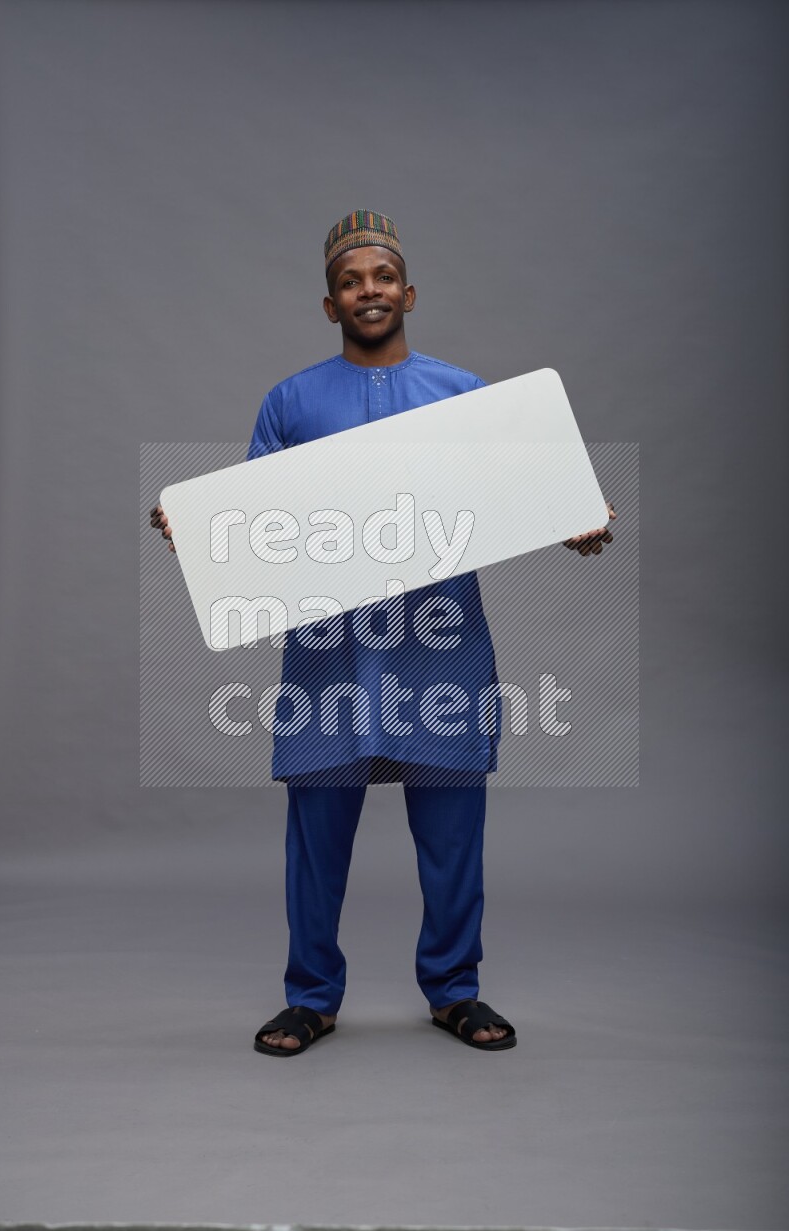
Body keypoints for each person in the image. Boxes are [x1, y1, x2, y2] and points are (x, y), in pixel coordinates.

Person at [150, 209, 616, 1057]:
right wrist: (200, 527)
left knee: (451, 835)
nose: (368, 290)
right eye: (349, 281)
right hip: (331, 655)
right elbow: (254, 522)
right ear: (331, 305)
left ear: (408, 292)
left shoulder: (464, 394)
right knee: (317, 839)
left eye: (381, 277)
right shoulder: (290, 401)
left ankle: (454, 989)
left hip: (440, 648)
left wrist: (571, 520)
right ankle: (311, 995)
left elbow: (521, 493)